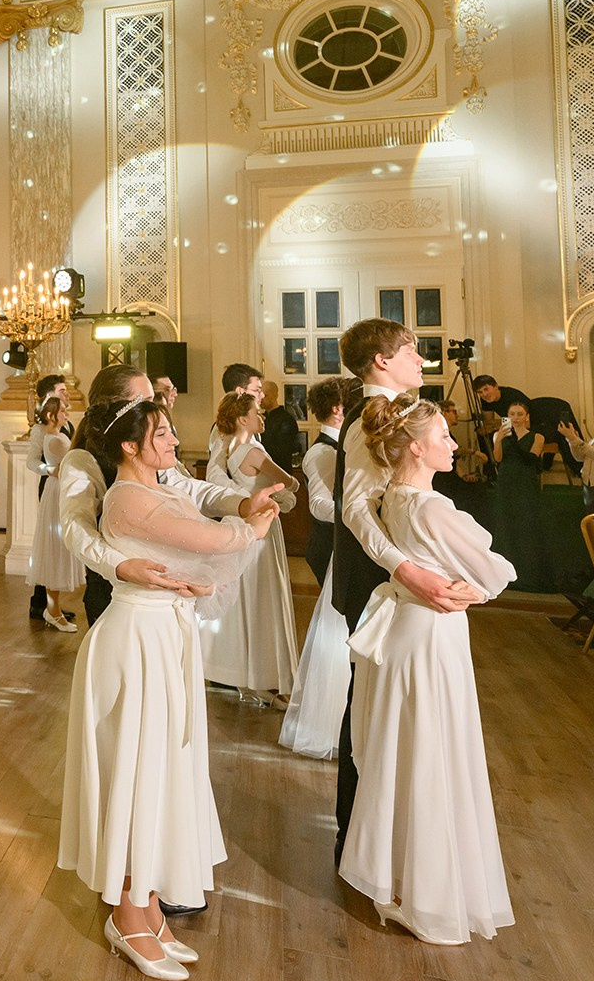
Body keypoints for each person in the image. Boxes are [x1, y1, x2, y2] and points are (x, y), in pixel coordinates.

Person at [61, 397, 271, 981]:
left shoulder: (159, 485)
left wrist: (236, 520)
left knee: (164, 771)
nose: (175, 441)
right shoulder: (126, 497)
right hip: (135, 640)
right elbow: (210, 542)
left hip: (164, 631)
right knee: (137, 771)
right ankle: (127, 913)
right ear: (129, 445)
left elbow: (198, 519)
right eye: (162, 433)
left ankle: (149, 905)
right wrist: (249, 526)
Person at [340, 393, 513, 945]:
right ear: (416, 447)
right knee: (434, 751)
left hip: (407, 628)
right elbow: (495, 564)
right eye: (444, 436)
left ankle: (399, 880)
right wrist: (476, 583)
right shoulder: (431, 507)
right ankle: (431, 892)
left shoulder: (392, 496)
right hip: (431, 633)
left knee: (406, 749)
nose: (455, 444)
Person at [329, 320, 472, 864]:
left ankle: (397, 835)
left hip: (395, 582)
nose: (421, 360)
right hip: (377, 587)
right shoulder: (371, 417)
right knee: (371, 712)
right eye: (412, 351)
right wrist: (407, 570)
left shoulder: (398, 413)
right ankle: (362, 840)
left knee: (393, 712)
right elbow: (356, 508)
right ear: (381, 361)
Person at [58, 363, 268, 637]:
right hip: (113, 591)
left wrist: (240, 503)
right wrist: (119, 567)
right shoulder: (82, 459)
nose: (153, 407)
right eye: (144, 401)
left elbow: (188, 488)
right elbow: (76, 528)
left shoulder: (149, 454)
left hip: (167, 595)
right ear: (115, 406)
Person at [199, 390, 298, 702]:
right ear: (243, 418)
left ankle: (244, 673)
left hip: (241, 527)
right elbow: (290, 483)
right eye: (258, 412)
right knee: (265, 598)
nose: (263, 416)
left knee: (246, 598)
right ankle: (266, 677)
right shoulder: (254, 452)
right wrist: (282, 496)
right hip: (263, 528)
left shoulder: (228, 449)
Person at [280, 377, 358, 760]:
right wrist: (363, 515)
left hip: (340, 545)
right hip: (329, 548)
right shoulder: (323, 452)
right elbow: (319, 506)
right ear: (339, 410)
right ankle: (330, 723)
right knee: (335, 636)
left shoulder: (342, 445)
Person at [28, 391, 83, 632]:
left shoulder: (61, 432)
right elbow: (34, 461)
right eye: (62, 410)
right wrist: (50, 469)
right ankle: (52, 610)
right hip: (56, 488)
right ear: (52, 414)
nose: (67, 412)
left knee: (58, 549)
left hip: (60, 489)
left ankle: (54, 608)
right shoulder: (51, 436)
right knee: (56, 550)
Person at [487, 401, 554, 592]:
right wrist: (499, 440)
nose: (515, 417)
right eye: (512, 414)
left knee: (527, 524)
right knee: (506, 523)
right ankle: (504, 573)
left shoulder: (537, 437)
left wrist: (513, 441)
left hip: (525, 481)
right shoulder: (499, 435)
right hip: (506, 481)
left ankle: (529, 573)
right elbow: (498, 459)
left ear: (526, 416)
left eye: (519, 414)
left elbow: (531, 459)